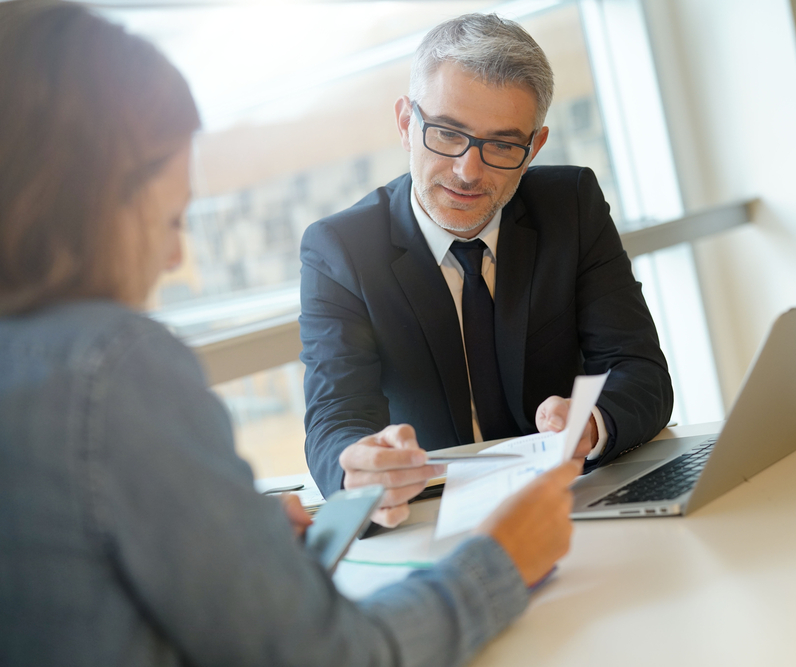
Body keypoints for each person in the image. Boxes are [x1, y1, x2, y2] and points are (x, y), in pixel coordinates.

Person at [0, 3, 581, 665]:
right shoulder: (116, 369)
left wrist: (222, 535)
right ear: (95, 200)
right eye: (169, 222)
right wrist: (500, 561)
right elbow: (330, 654)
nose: (169, 260)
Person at [300, 13, 674, 526]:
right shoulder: (341, 249)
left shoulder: (571, 206)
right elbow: (335, 417)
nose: (468, 171)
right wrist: (358, 473)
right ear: (407, 123)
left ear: (533, 148)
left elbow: (641, 371)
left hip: (574, 504)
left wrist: (593, 425)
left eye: (501, 145)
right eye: (448, 134)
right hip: (432, 522)